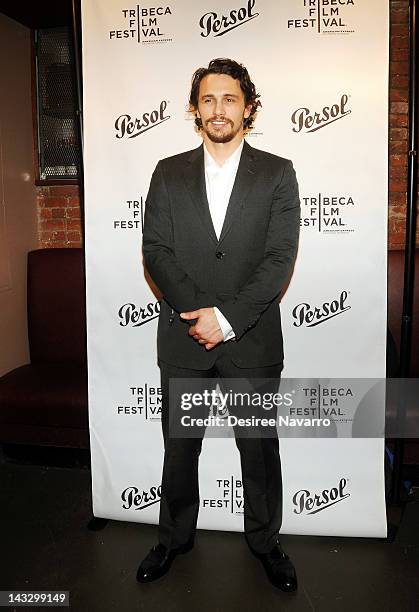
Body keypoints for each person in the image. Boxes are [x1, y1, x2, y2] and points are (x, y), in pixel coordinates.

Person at [137, 58, 301, 591]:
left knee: (258, 450)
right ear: (195, 109)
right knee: (179, 450)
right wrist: (200, 318)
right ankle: (173, 538)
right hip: (185, 341)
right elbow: (156, 252)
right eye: (208, 99)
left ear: (248, 107)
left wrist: (226, 320)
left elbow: (279, 258)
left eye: (230, 98)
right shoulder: (167, 171)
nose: (218, 109)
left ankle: (265, 541)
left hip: (250, 343)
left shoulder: (277, 172)